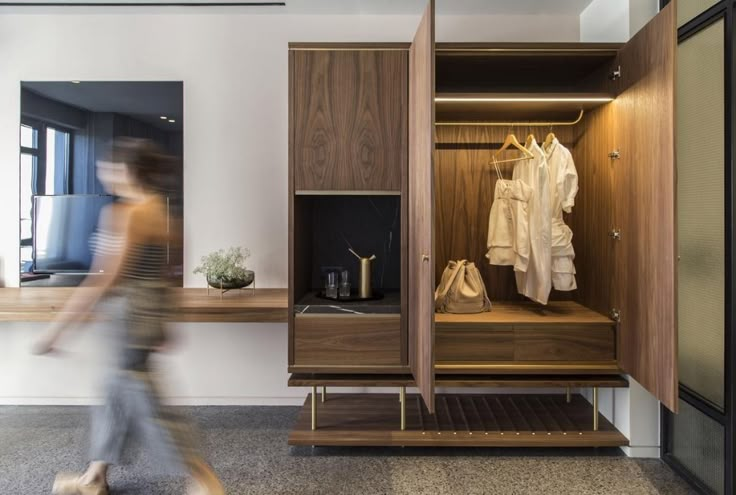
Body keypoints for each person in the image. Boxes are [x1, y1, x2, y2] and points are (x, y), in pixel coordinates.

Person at [33, 138, 224, 495]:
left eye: (106, 166)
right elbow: (168, 275)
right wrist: (165, 322)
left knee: (143, 399)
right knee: (115, 393)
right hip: (148, 312)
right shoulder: (165, 215)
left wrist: (57, 330)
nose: (102, 172)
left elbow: (104, 278)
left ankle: (201, 477)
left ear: (125, 170)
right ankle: (94, 477)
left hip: (127, 316)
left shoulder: (125, 213)